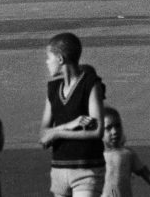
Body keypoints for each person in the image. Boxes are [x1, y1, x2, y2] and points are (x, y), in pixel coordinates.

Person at [40, 32, 105, 197]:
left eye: (49, 58)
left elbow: (97, 131)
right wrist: (68, 126)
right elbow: (43, 136)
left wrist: (57, 133)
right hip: (59, 170)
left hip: (87, 170)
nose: (47, 63)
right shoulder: (53, 89)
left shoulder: (90, 84)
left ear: (60, 59)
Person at [101, 106, 150, 197]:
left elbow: (149, 177)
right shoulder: (93, 156)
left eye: (118, 126)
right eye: (108, 128)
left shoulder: (127, 154)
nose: (114, 131)